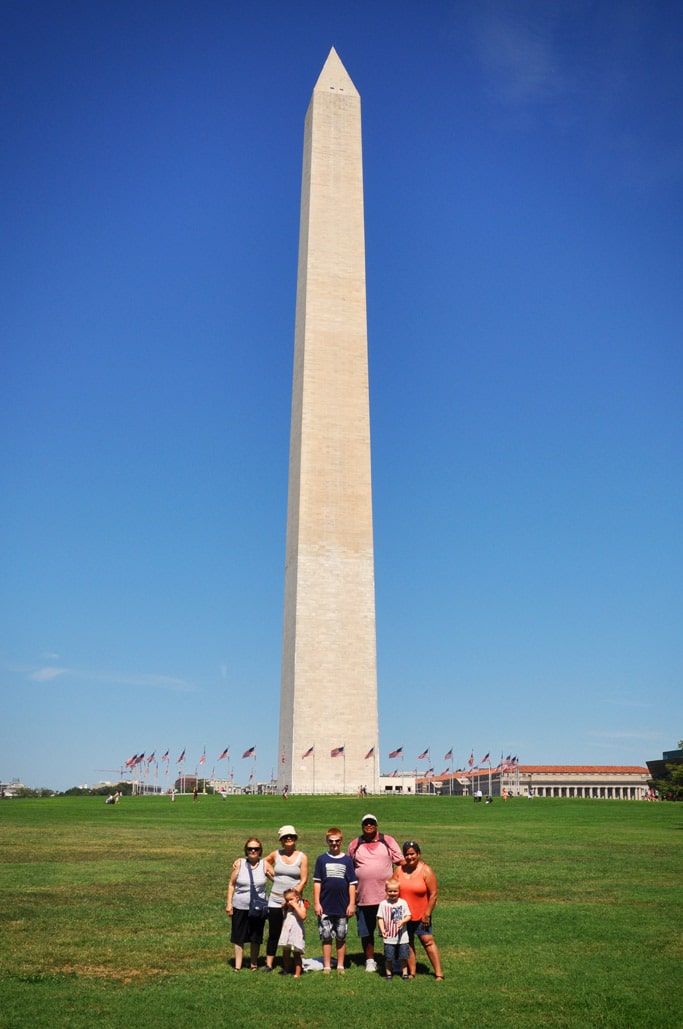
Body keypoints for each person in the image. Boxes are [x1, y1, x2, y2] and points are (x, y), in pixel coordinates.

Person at [348, 813, 402, 972]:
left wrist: (394, 883)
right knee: (366, 932)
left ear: (376, 825)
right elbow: (350, 867)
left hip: (387, 897)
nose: (369, 826)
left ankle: (393, 959)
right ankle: (370, 960)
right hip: (364, 897)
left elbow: (400, 862)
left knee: (392, 929)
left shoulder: (387, 840)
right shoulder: (355, 844)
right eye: (366, 823)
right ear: (362, 826)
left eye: (372, 823)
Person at [395, 840, 444, 980]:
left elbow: (433, 894)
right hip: (404, 915)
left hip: (421, 914)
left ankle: (439, 973)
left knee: (427, 940)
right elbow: (391, 887)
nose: (410, 857)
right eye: (407, 855)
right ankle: (412, 972)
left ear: (418, 854)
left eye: (412, 854)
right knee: (408, 942)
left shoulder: (426, 871)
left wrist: (427, 914)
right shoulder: (399, 870)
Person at [263, 825, 308, 971]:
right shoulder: (276, 854)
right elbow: (263, 862)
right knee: (274, 932)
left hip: (293, 902)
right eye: (285, 837)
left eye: (291, 836)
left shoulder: (302, 857)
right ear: (281, 840)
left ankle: (291, 964)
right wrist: (272, 875)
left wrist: (292, 899)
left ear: (295, 839)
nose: (289, 839)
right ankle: (269, 964)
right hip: (275, 900)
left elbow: (304, 880)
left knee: (292, 931)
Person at [313, 827, 358, 973]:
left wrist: (351, 903)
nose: (334, 844)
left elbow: (352, 884)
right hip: (325, 905)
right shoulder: (321, 859)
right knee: (326, 937)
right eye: (331, 841)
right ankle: (326, 965)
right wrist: (317, 903)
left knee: (341, 936)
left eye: (337, 841)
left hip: (342, 906)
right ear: (327, 841)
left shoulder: (347, 860)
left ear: (341, 841)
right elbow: (317, 882)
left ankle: (340, 965)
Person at [225, 836, 271, 971]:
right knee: (238, 936)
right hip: (240, 905)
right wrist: (229, 903)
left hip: (258, 907)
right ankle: (238, 966)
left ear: (260, 850)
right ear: (246, 850)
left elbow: (277, 879)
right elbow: (231, 885)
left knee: (255, 936)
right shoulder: (239, 864)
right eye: (250, 849)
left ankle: (254, 963)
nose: (253, 851)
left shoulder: (264, 864)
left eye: (256, 849)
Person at [377, 879, 412, 980]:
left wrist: (403, 922)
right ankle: (388, 973)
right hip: (389, 936)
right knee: (389, 957)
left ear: (399, 891)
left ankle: (404, 973)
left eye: (395, 891)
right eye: (390, 891)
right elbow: (380, 918)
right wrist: (382, 930)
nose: (392, 893)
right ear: (386, 891)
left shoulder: (402, 903)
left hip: (402, 937)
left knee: (403, 956)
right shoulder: (383, 904)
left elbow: (408, 915)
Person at [278, 888, 307, 977]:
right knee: (285, 954)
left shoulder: (301, 905)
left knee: (296, 955)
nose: (289, 902)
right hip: (287, 933)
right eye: (287, 900)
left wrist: (296, 906)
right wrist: (284, 908)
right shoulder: (288, 908)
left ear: (297, 898)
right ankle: (287, 969)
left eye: (291, 899)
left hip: (296, 934)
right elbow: (284, 917)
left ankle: (297, 973)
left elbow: (303, 916)